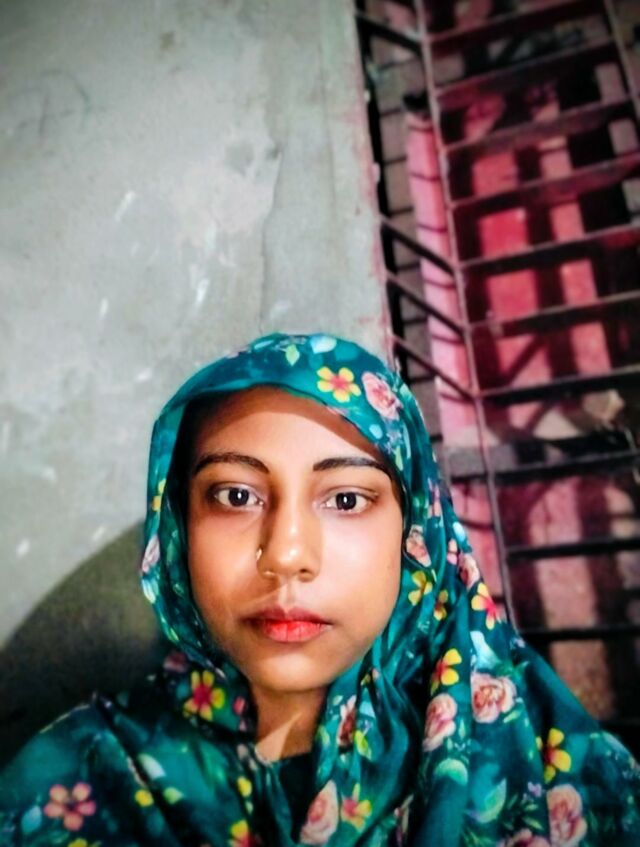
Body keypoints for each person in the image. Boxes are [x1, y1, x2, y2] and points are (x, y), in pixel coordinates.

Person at [0, 331, 638, 846]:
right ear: (177, 532)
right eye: (236, 496)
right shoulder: (80, 778)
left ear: (414, 534)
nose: (286, 555)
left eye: (346, 499)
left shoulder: (565, 773)